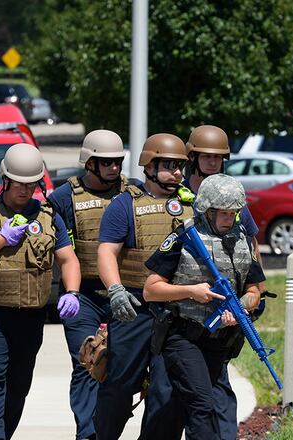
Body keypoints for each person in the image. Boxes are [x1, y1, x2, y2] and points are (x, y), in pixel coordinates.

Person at [0, 143, 81, 440]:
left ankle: (3, 434)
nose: (25, 191)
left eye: (32, 184)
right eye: (20, 184)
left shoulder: (49, 216)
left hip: (31, 316)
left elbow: (68, 258)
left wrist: (72, 292)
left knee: (19, 384)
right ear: (6, 180)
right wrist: (0, 240)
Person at [143, 174, 264, 440]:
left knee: (176, 408)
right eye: (223, 213)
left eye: (234, 213)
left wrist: (242, 307)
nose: (229, 219)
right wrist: (191, 291)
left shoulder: (242, 241)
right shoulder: (184, 239)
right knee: (202, 406)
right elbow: (151, 290)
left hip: (218, 341)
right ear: (207, 211)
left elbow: (256, 290)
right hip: (182, 336)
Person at [94, 133, 194, 440]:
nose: (177, 172)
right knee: (120, 386)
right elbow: (107, 252)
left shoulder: (193, 205)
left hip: (177, 310)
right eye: (169, 165)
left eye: (180, 166)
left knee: (167, 392)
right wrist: (115, 290)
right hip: (134, 308)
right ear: (149, 166)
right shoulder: (124, 205)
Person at [184, 124, 264, 439]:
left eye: (219, 157)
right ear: (193, 157)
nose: (213, 162)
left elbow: (251, 247)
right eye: (206, 156)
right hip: (184, 305)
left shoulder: (231, 196)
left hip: (224, 307)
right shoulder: (180, 196)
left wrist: (253, 294)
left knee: (216, 386)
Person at [48, 129, 127, 440]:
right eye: (106, 162)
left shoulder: (132, 193)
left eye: (117, 162)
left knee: (123, 369)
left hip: (123, 293)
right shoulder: (63, 198)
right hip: (82, 297)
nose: (114, 168)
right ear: (89, 163)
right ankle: (88, 434)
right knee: (88, 362)